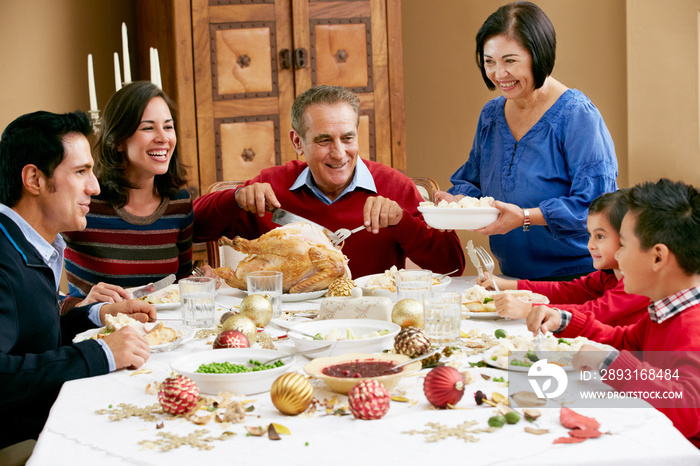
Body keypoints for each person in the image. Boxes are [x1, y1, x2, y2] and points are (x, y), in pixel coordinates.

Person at [193, 85, 465, 278]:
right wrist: (235, 199)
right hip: (287, 326)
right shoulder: (272, 185)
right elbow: (192, 228)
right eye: (324, 140)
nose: (339, 153)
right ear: (298, 142)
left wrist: (402, 223)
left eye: (347, 138)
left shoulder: (395, 187)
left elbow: (452, 265)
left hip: (372, 323)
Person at [0, 110, 154, 451]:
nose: (94, 186)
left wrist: (95, 314)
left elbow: (35, 336)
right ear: (34, 179)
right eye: (81, 171)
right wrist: (100, 352)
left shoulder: (29, 243)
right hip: (25, 441)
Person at [435, 1, 618, 281]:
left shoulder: (576, 115)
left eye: (510, 61)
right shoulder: (491, 115)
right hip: (512, 277)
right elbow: (474, 183)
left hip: (579, 280)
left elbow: (597, 208)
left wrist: (526, 216)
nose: (499, 74)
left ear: (538, 55)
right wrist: (457, 202)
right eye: (489, 62)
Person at [528, 179, 700, 447]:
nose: (617, 257)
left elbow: (689, 410)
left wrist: (610, 361)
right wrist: (567, 321)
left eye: (625, 246)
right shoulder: (665, 311)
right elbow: (627, 342)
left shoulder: (693, 324)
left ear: (657, 257)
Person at [62, 81, 193, 309]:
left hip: (164, 334)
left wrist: (201, 280)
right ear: (118, 141)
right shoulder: (84, 200)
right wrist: (81, 306)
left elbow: (180, 282)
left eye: (168, 127)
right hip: (97, 335)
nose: (163, 138)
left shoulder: (179, 204)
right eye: (148, 128)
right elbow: (40, 295)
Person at [479, 190, 649, 326]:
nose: (590, 245)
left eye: (600, 236)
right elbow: (570, 290)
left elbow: (594, 312)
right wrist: (510, 285)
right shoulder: (610, 274)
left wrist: (528, 309)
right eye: (590, 235)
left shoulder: (639, 283)